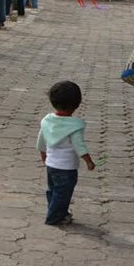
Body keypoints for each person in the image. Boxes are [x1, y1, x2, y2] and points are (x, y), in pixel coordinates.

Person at [38, 80, 95, 225]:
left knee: (53, 191)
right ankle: (54, 217)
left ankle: (57, 210)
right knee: (63, 194)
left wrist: (44, 156)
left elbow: (41, 142)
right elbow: (79, 146)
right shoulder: (74, 126)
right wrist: (88, 161)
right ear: (76, 105)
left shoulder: (47, 121)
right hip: (67, 168)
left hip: (51, 165)